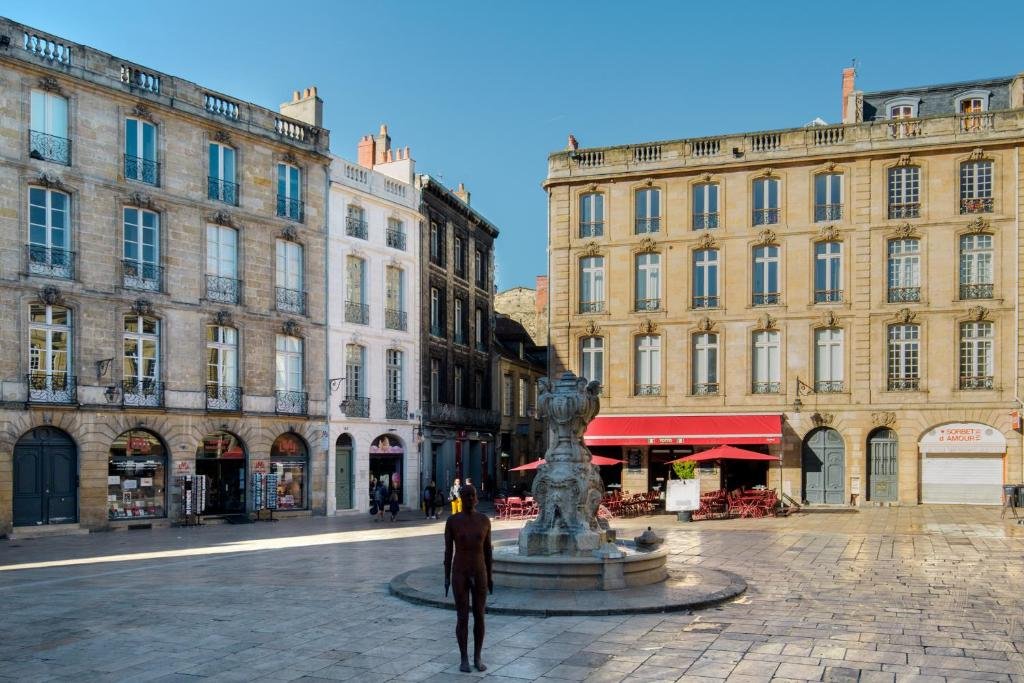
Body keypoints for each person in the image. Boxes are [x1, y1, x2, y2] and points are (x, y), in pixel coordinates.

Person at [443, 484, 492, 673]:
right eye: (466, 496)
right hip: (460, 572)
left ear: (476, 497)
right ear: (461, 498)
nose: (470, 498)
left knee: (479, 616)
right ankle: (464, 658)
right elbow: (448, 552)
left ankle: (477, 657)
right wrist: (446, 577)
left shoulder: (484, 520)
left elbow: (488, 551)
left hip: (479, 572)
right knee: (462, 617)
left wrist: (490, 576)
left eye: (472, 495)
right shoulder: (453, 521)